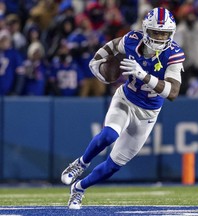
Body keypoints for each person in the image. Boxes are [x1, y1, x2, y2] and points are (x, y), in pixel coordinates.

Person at [61, 7, 185, 209]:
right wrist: (96, 62)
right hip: (126, 99)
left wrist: (144, 75)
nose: (161, 38)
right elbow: (110, 48)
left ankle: (79, 188)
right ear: (146, 30)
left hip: (148, 113)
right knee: (109, 135)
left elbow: (172, 92)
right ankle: (80, 163)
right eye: (156, 32)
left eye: (165, 33)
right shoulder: (132, 39)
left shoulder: (173, 54)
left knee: (113, 166)